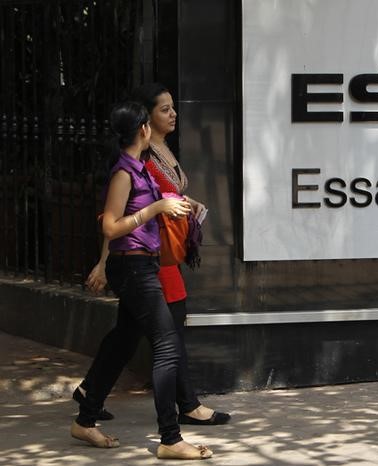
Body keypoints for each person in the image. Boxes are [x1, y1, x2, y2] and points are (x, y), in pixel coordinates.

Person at [81, 83, 230, 426]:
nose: (173, 114)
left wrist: (186, 204)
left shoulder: (160, 151)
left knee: (127, 335)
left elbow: (157, 198)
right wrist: (104, 262)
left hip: (154, 253)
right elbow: (113, 218)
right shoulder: (136, 162)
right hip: (145, 256)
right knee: (168, 334)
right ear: (144, 123)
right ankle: (186, 407)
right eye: (164, 109)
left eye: (173, 107)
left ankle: (89, 400)